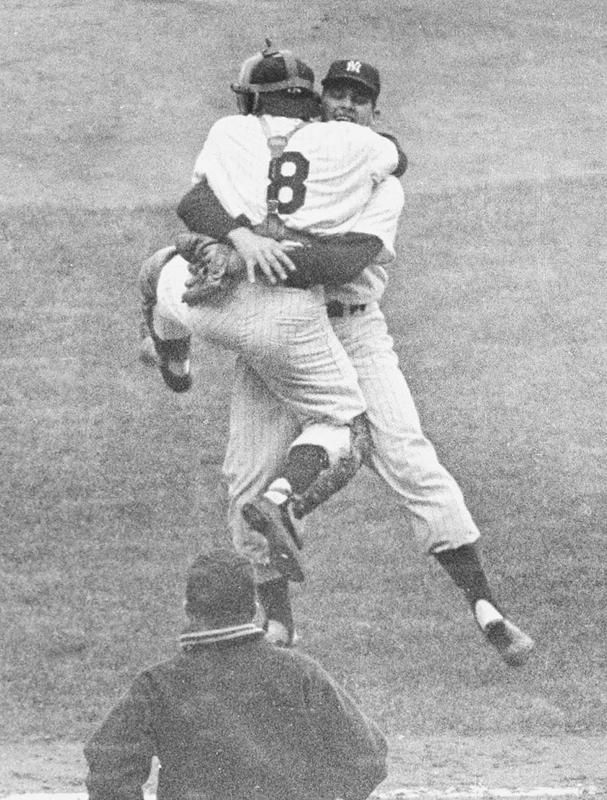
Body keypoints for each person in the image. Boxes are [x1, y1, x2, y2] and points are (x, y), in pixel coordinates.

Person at [178, 58, 535, 668]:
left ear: (374, 113)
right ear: (316, 105)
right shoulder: (305, 164)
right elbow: (200, 199)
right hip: (281, 330)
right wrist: (240, 240)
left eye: (358, 98)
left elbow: (346, 262)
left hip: (354, 334)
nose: (344, 105)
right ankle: (278, 622)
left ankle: (486, 607)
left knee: (411, 459)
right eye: (334, 95)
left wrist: (251, 252)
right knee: (246, 478)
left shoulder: (379, 179)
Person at [140, 45, 404, 581]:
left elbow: (193, 203)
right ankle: (283, 495)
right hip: (285, 318)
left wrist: (236, 240)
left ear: (250, 98)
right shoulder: (355, 140)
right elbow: (398, 161)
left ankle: (174, 357)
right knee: (342, 426)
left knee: (156, 270)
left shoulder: (227, 131)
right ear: (314, 100)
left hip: (205, 302)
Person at [84, 548, 388, 800]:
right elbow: (368, 756)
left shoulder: (157, 685)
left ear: (188, 608)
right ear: (254, 608)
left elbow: (108, 767)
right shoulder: (301, 673)